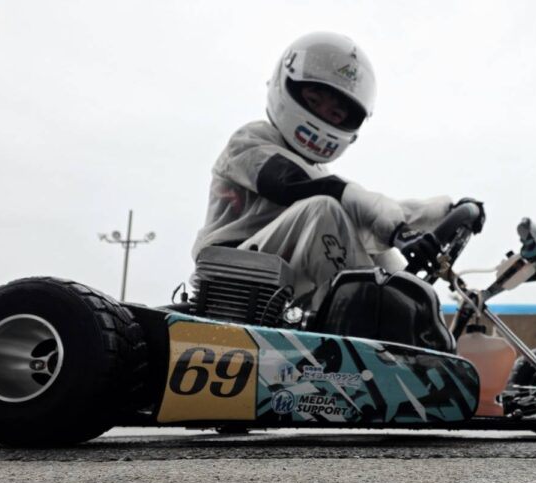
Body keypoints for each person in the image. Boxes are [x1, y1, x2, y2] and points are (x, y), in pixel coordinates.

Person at [192, 32, 480, 306]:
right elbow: (290, 183)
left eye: (335, 113)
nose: (321, 114)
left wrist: (446, 211)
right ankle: (371, 319)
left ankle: (405, 312)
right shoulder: (251, 142)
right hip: (228, 280)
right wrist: (394, 229)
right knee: (326, 211)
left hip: (278, 288)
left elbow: (368, 212)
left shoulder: (320, 178)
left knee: (375, 251)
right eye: (314, 100)